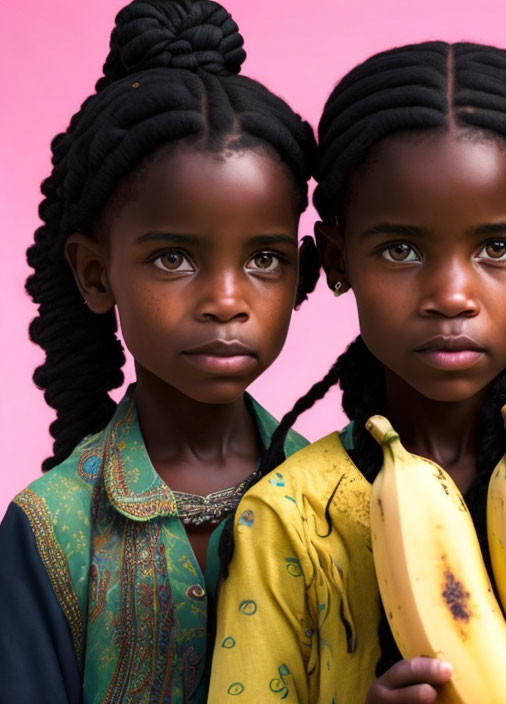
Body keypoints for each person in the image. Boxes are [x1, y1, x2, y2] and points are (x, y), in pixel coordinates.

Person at [210, 41, 506, 704]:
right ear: (340, 258)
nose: (451, 294)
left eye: (497, 248)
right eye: (401, 249)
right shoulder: (288, 517)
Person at [0, 1, 317, 701]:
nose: (225, 299)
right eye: (173, 258)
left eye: (264, 259)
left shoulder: (341, 499)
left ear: (303, 273)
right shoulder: (50, 529)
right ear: (94, 273)